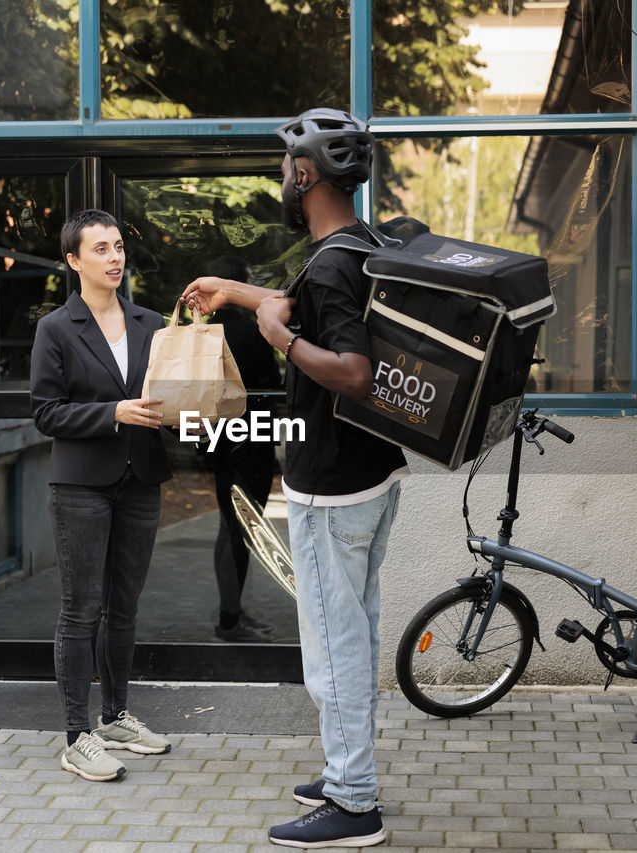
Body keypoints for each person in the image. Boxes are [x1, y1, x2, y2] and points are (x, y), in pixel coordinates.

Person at [183, 108, 408, 848]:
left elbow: (352, 369)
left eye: (287, 169)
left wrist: (279, 338)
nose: (283, 179)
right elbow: (293, 303)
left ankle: (352, 802)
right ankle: (351, 767)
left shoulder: (334, 263)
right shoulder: (356, 245)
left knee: (333, 643)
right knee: (359, 626)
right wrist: (237, 292)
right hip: (372, 477)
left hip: (332, 488)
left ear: (306, 174)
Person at [30, 208, 174, 782]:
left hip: (141, 479)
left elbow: (166, 393)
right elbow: (45, 412)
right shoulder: (56, 329)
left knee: (125, 607)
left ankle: (115, 716)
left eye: (118, 247)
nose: (114, 257)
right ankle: (76, 735)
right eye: (101, 249)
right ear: (74, 261)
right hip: (81, 485)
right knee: (80, 610)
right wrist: (112, 412)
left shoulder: (151, 322)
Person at [202, 256, 283, 643]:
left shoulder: (205, 334)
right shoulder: (250, 333)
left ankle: (230, 614)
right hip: (251, 441)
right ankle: (230, 620)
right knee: (242, 529)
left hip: (218, 442)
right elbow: (273, 387)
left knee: (229, 526)